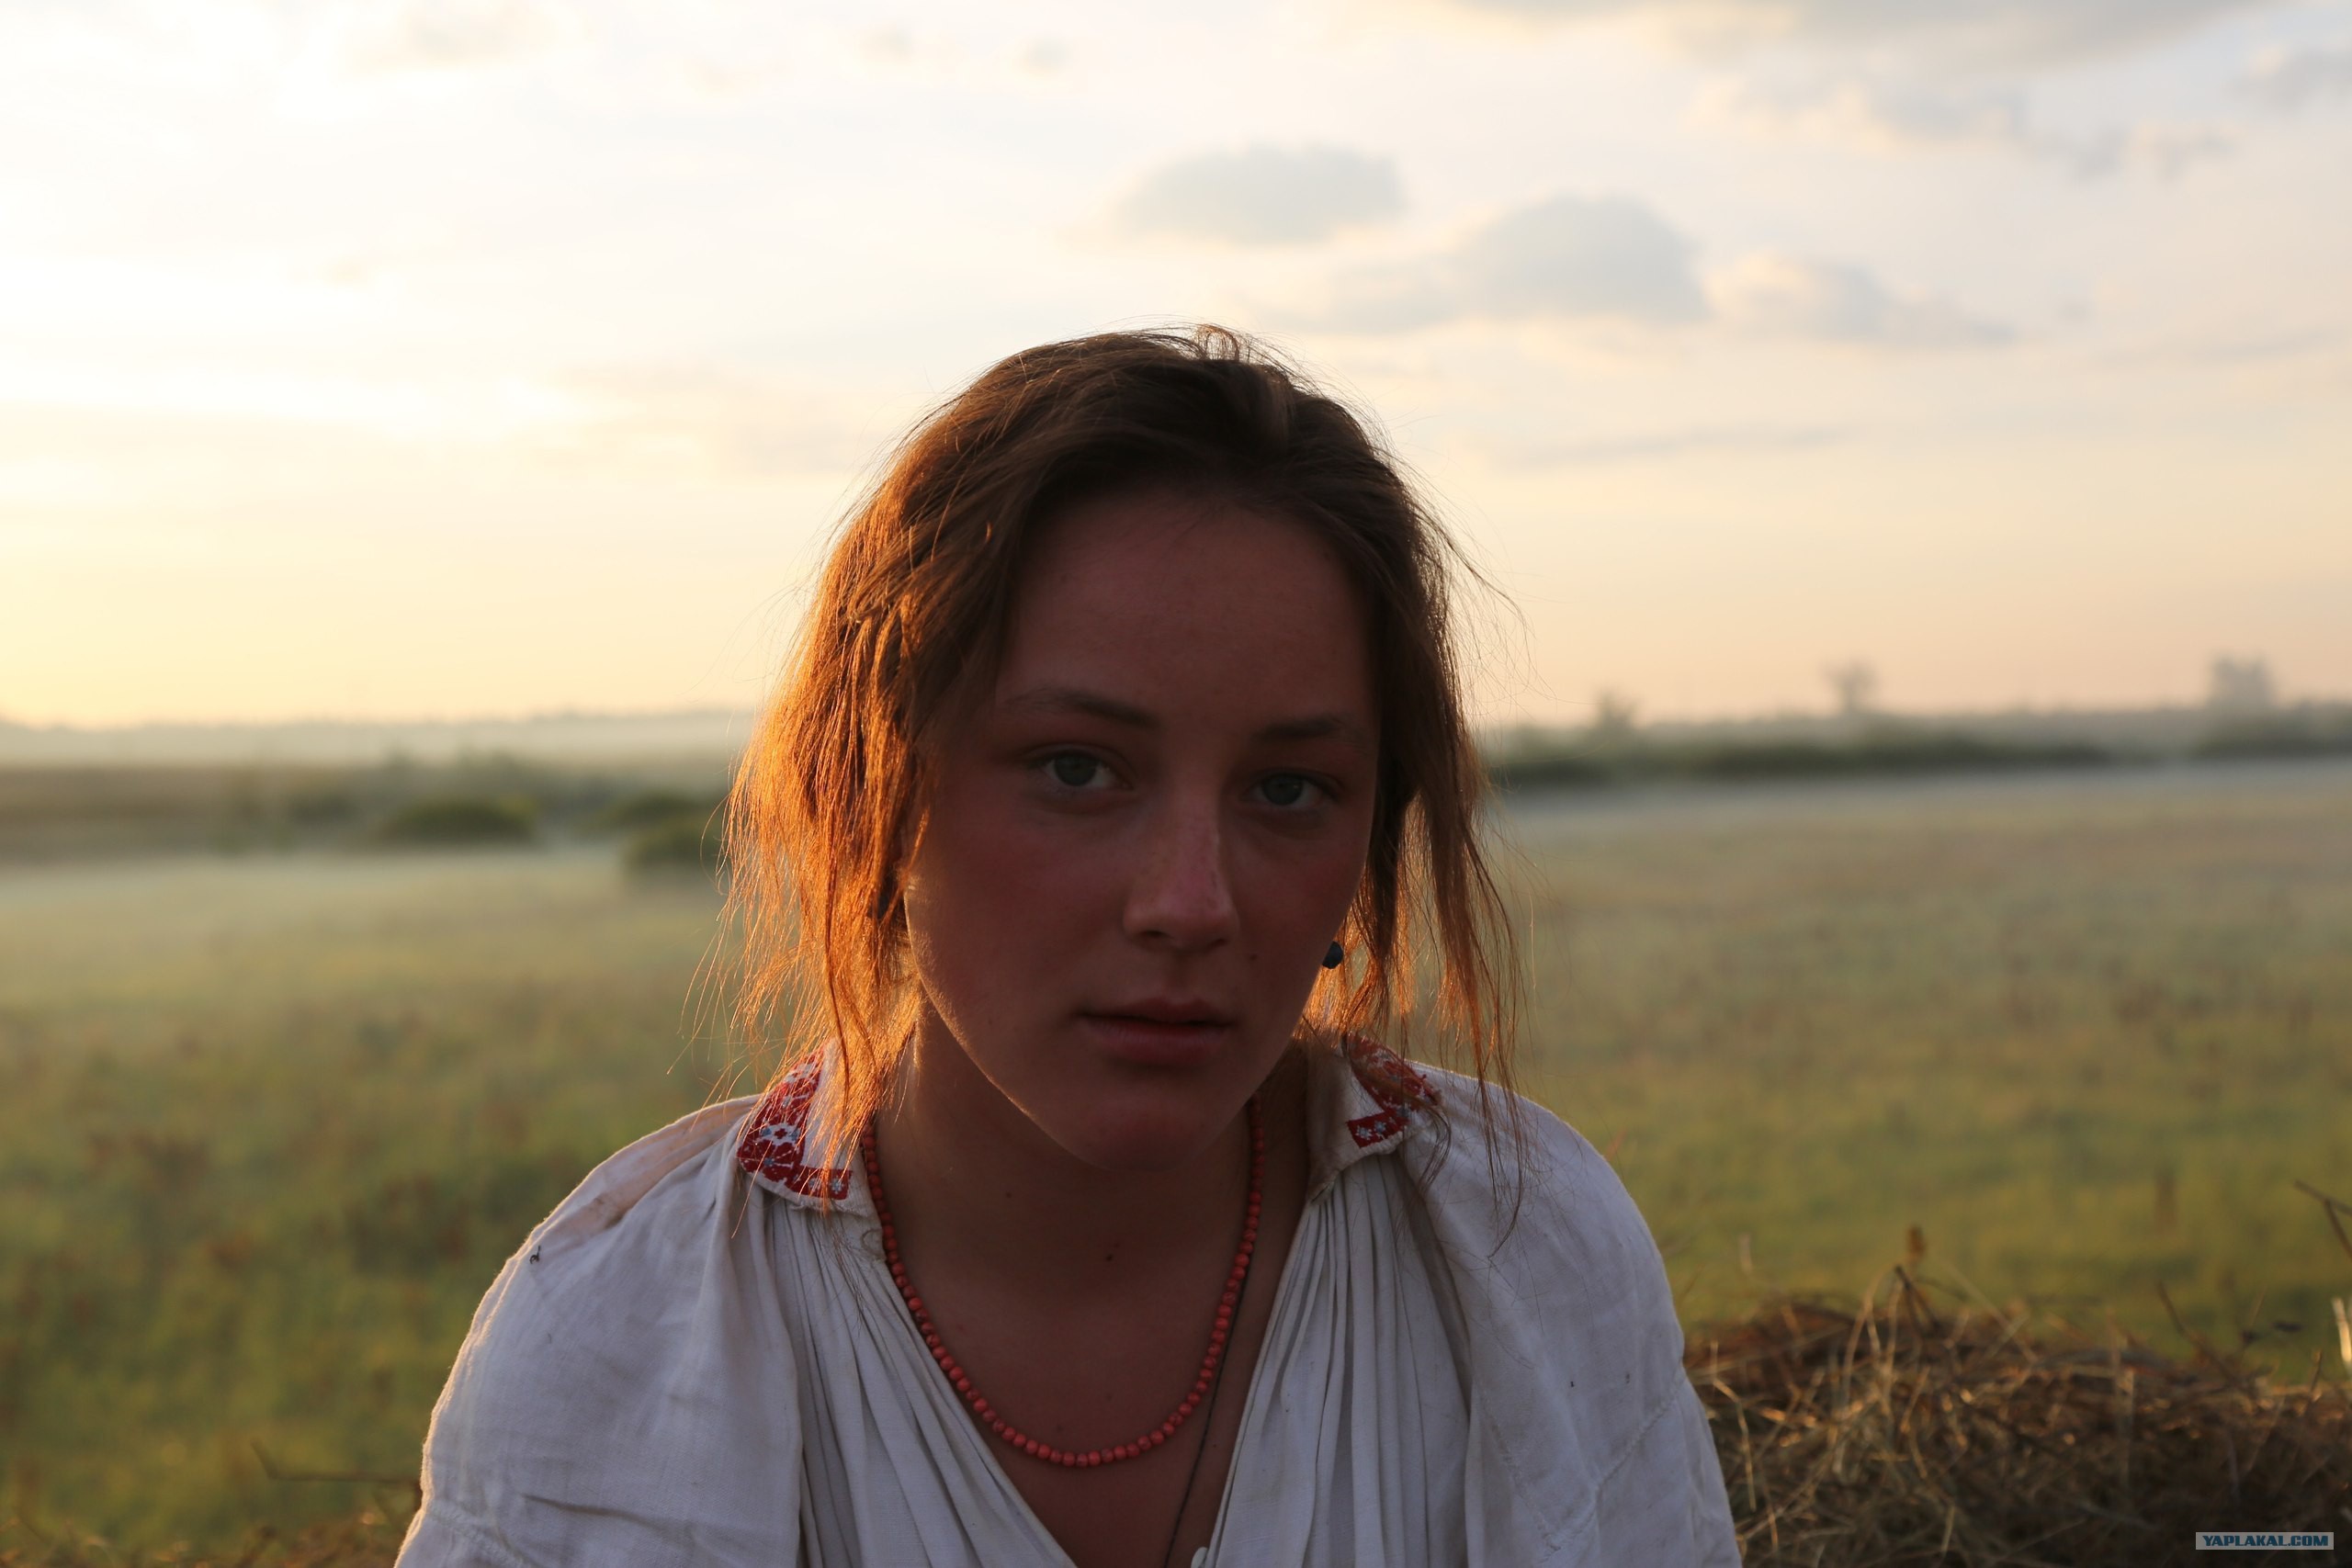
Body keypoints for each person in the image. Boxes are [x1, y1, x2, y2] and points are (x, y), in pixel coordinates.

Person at [396, 326, 1738, 1567]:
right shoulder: (628, 1342)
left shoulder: (1520, 1256)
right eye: (1077, 768)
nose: (1191, 904)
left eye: (1289, 789)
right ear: (872, 794)